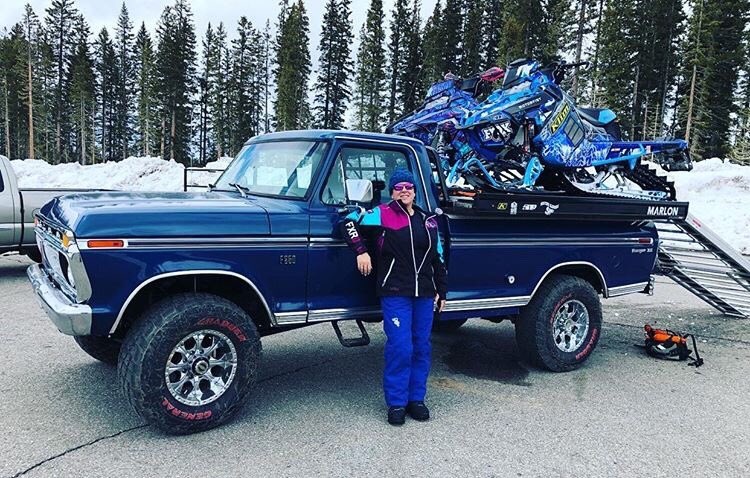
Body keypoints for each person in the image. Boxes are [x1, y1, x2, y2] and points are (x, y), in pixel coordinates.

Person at [340, 168, 448, 425]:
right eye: (398, 187)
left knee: (421, 347)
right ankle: (397, 403)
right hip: (395, 292)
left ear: (414, 190)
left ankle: (416, 400)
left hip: (424, 293)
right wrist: (360, 251)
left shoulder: (428, 219)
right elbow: (347, 222)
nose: (404, 191)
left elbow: (438, 257)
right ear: (392, 191)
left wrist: (441, 291)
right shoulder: (381, 214)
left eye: (408, 187)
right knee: (401, 347)